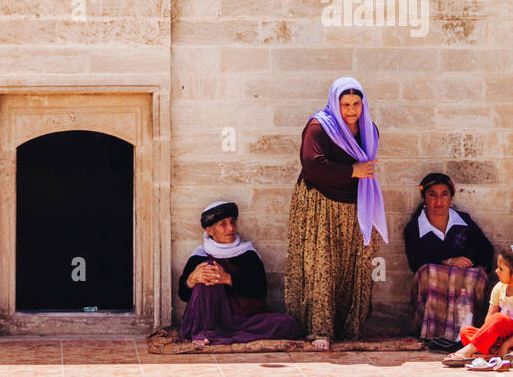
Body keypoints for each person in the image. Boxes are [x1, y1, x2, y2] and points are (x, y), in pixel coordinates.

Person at [285, 76, 388, 349]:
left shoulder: (369, 130)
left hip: (355, 206)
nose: (352, 110)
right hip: (320, 206)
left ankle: (349, 328)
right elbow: (312, 165)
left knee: (353, 268)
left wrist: (358, 173)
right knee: (322, 267)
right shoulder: (320, 128)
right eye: (345, 104)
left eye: (357, 104)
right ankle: (320, 330)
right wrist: (353, 171)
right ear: (335, 103)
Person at [178, 200, 302, 346]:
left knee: (288, 324)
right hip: (209, 319)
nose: (230, 228)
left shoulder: (248, 254)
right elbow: (183, 295)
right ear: (209, 231)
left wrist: (228, 279)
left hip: (243, 320)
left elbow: (260, 293)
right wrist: (191, 280)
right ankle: (206, 331)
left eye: (232, 222)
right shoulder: (200, 255)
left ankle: (220, 336)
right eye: (223, 224)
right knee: (208, 269)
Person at [403, 171, 493, 351]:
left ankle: (466, 335)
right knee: (430, 272)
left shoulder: (463, 221)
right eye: (432, 195)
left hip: (464, 280)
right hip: (434, 279)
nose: (439, 201)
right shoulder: (414, 228)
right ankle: (432, 334)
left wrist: (473, 268)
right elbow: (416, 262)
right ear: (424, 198)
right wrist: (449, 262)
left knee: (476, 277)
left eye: (444, 194)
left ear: (451, 198)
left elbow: (486, 250)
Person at [442, 245, 513, 370]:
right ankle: (494, 353)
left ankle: (468, 352)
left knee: (499, 319)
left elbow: (496, 319)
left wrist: (506, 344)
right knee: (465, 332)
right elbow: (489, 319)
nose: (496, 271)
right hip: (500, 339)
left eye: (501, 269)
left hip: (510, 340)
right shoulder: (498, 288)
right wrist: (489, 338)